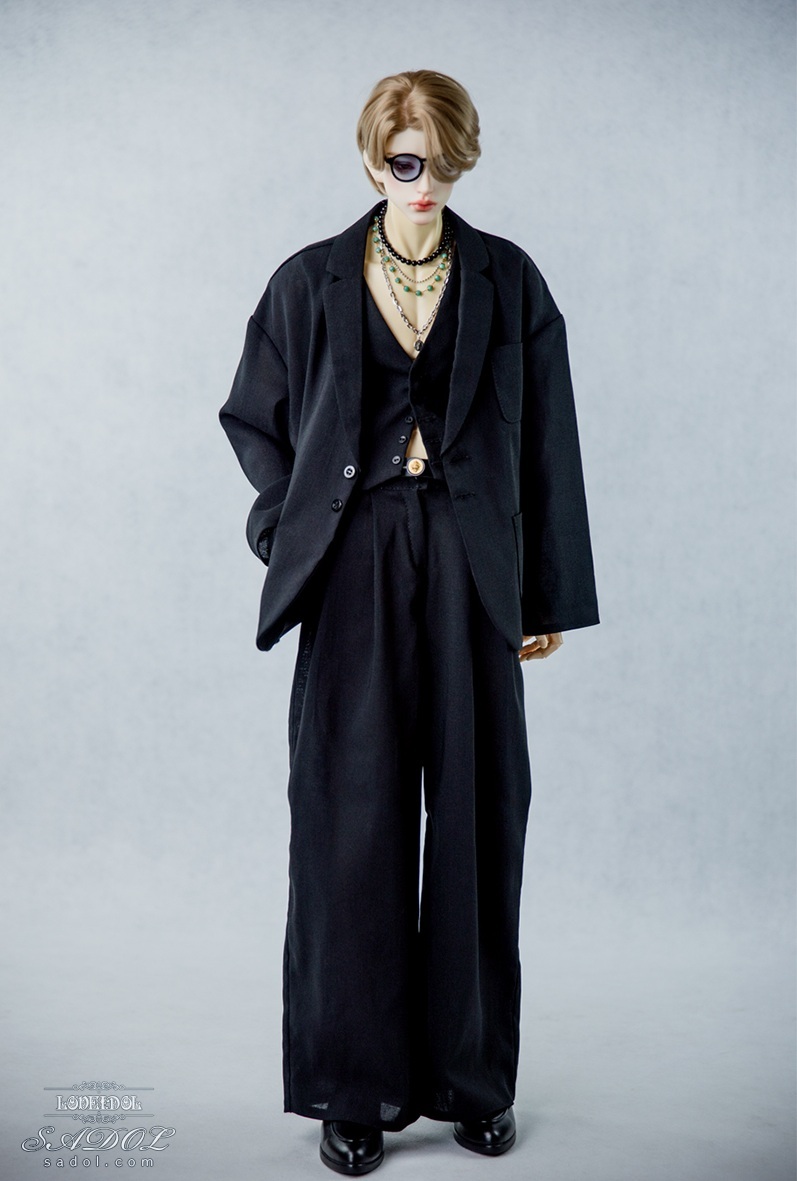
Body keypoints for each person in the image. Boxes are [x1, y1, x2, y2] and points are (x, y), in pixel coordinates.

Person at [219, 69, 599, 1175]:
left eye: (441, 160)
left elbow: (549, 443)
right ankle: (352, 1087)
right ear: (369, 158)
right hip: (353, 563)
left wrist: (540, 596)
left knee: (479, 816)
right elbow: (252, 419)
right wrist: (289, 527)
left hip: (474, 567)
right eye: (402, 159)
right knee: (351, 818)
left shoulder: (509, 280)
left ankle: (472, 1080)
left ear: (462, 160)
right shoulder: (308, 281)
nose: (422, 179)